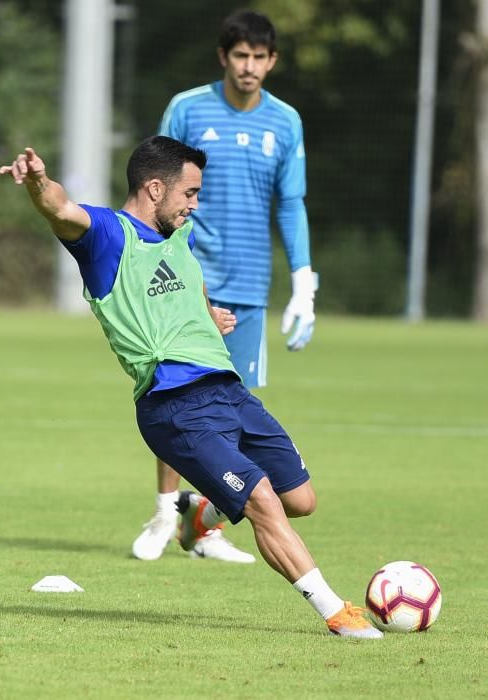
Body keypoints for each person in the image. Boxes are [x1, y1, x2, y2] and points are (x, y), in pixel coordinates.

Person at [0, 137, 382, 639]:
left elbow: (188, 282)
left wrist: (205, 315)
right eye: (190, 193)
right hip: (174, 406)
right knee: (264, 500)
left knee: (301, 500)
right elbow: (61, 208)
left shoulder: (182, 235)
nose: (194, 204)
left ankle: (201, 512)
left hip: (229, 392)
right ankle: (336, 612)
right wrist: (36, 183)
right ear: (154, 188)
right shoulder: (109, 236)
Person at [132, 8, 318, 563]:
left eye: (260, 57)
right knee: (180, 392)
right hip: (184, 279)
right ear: (224, 56)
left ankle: (202, 523)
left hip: (250, 284)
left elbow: (290, 202)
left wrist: (304, 281)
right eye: (241, 55)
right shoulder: (188, 108)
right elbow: (155, 188)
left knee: (229, 410)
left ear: (273, 61)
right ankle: (167, 513)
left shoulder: (285, 121)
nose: (250, 67)